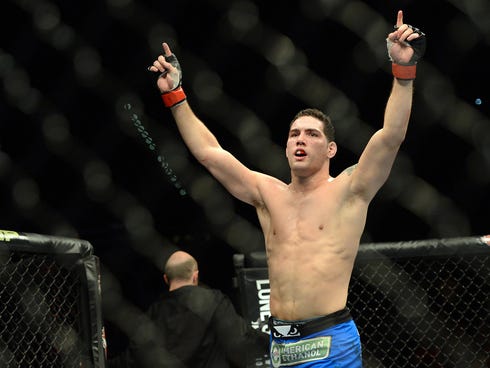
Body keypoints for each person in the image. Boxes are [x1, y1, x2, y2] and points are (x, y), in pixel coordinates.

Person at [148, 10, 425, 368]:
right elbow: (209, 153)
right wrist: (176, 95)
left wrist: (403, 72)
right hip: (281, 345)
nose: (300, 139)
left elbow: (390, 137)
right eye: (294, 133)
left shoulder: (350, 190)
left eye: (311, 134)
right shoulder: (268, 194)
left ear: (330, 150)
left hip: (332, 344)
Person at [108, 251, 269, 368]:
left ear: (166, 279)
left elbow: (133, 358)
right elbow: (240, 338)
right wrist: (277, 341)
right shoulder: (214, 300)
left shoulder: (153, 313)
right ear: (195, 276)